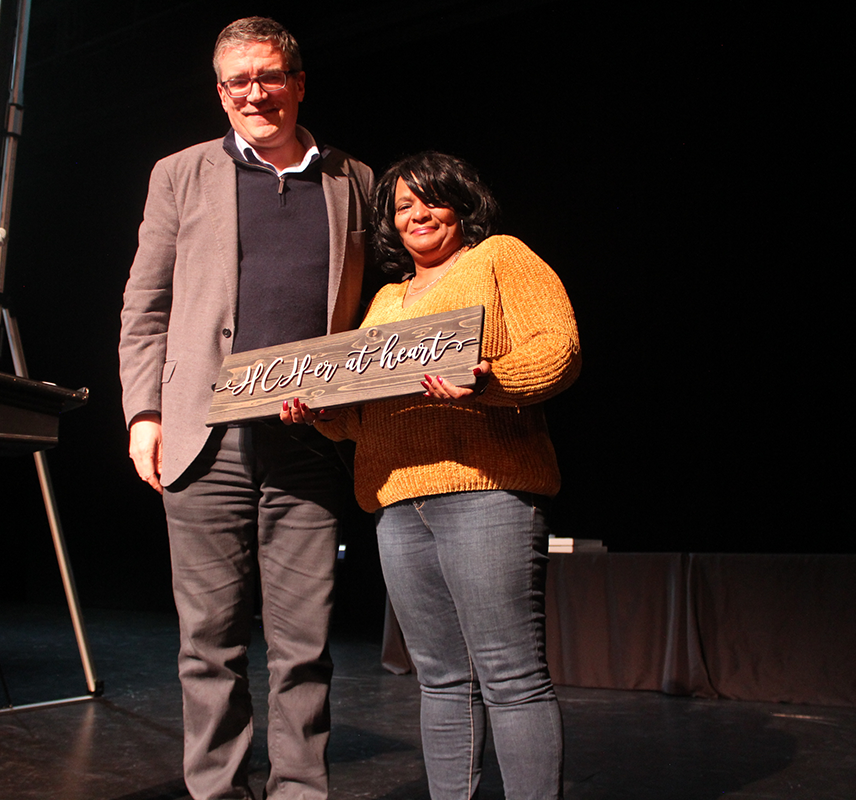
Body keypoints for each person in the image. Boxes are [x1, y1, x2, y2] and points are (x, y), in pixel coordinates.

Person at [118, 17, 372, 800]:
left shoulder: (354, 180)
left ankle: (300, 792)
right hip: (205, 439)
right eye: (238, 81)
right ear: (221, 92)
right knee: (209, 644)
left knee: (305, 646)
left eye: (269, 76)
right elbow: (145, 306)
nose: (254, 93)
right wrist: (143, 414)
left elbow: (379, 307)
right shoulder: (180, 174)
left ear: (298, 82)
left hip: (311, 443)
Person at [282, 152, 580, 799]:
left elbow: (559, 349)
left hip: (485, 491)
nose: (417, 214)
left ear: (462, 205)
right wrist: (321, 414)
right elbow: (361, 416)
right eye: (403, 206)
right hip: (398, 502)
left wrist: (491, 379)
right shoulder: (385, 300)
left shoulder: (499, 257)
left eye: (431, 199)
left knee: (510, 675)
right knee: (441, 678)